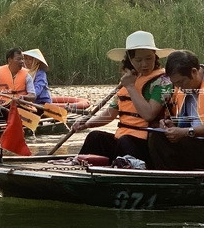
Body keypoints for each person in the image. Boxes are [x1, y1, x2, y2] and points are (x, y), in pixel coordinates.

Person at [71, 31, 174, 167]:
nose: (145, 64)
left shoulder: (163, 81)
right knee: (95, 137)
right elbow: (110, 114)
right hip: (123, 140)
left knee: (125, 141)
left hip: (148, 145)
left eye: (149, 58)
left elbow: (149, 115)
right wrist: (87, 123)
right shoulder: (128, 80)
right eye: (139, 60)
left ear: (155, 57)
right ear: (130, 60)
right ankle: (80, 170)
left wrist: (131, 87)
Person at [0, 47, 36, 117]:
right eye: (18, 59)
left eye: (22, 59)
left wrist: (23, 97)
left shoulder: (27, 76)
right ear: (10, 60)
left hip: (21, 106)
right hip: (3, 106)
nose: (22, 61)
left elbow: (33, 96)